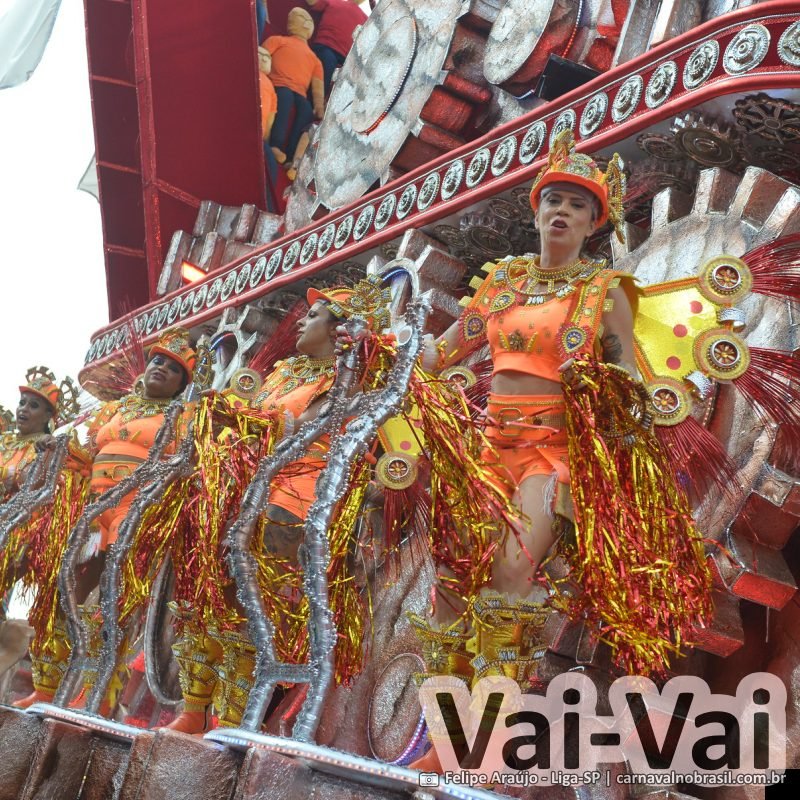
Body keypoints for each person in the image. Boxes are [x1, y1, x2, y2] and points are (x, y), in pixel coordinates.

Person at [410, 130, 712, 770]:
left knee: (511, 579)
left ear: (593, 223)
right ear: (537, 210)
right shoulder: (501, 286)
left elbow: (630, 370)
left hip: (554, 451)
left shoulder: (604, 292)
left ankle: (482, 744)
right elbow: (444, 355)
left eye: (578, 205)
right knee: (450, 584)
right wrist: (394, 347)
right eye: (554, 200)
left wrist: (626, 401)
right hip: (489, 446)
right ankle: (439, 738)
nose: (563, 212)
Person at [165, 277, 393, 734]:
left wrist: (245, 420)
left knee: (252, 604)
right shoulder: (287, 371)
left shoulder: (353, 375)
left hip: (296, 497)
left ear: (338, 329)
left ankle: (229, 720)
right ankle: (193, 710)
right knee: (211, 596)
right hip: (247, 489)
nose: (302, 323)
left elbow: (304, 424)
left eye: (313, 316)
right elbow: (258, 415)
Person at [60, 328, 196, 714]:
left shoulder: (181, 416)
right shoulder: (112, 410)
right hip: (95, 510)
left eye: (173, 370)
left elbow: (185, 465)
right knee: (74, 594)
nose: (162, 369)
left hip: (134, 513)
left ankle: (103, 694)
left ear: (180, 386)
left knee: (114, 601)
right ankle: (71, 682)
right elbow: (88, 456)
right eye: (158, 361)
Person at [0, 368, 87, 707]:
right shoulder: (5, 443)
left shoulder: (54, 449)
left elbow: (57, 493)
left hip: (24, 532)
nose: (23, 410)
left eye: (34, 406)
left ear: (51, 416)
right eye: (22, 403)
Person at [266, 7, 324, 166]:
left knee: (306, 110)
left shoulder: (315, 59)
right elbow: (263, 54)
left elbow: (318, 87)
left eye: (308, 21)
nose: (306, 23)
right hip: (279, 83)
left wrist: (319, 106)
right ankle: (275, 145)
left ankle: (291, 156)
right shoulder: (279, 40)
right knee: (284, 98)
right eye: (302, 19)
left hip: (300, 93)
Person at [306, 0, 367, 96]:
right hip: (327, 47)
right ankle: (315, 105)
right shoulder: (334, 1)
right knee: (326, 65)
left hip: (347, 59)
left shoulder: (366, 19)